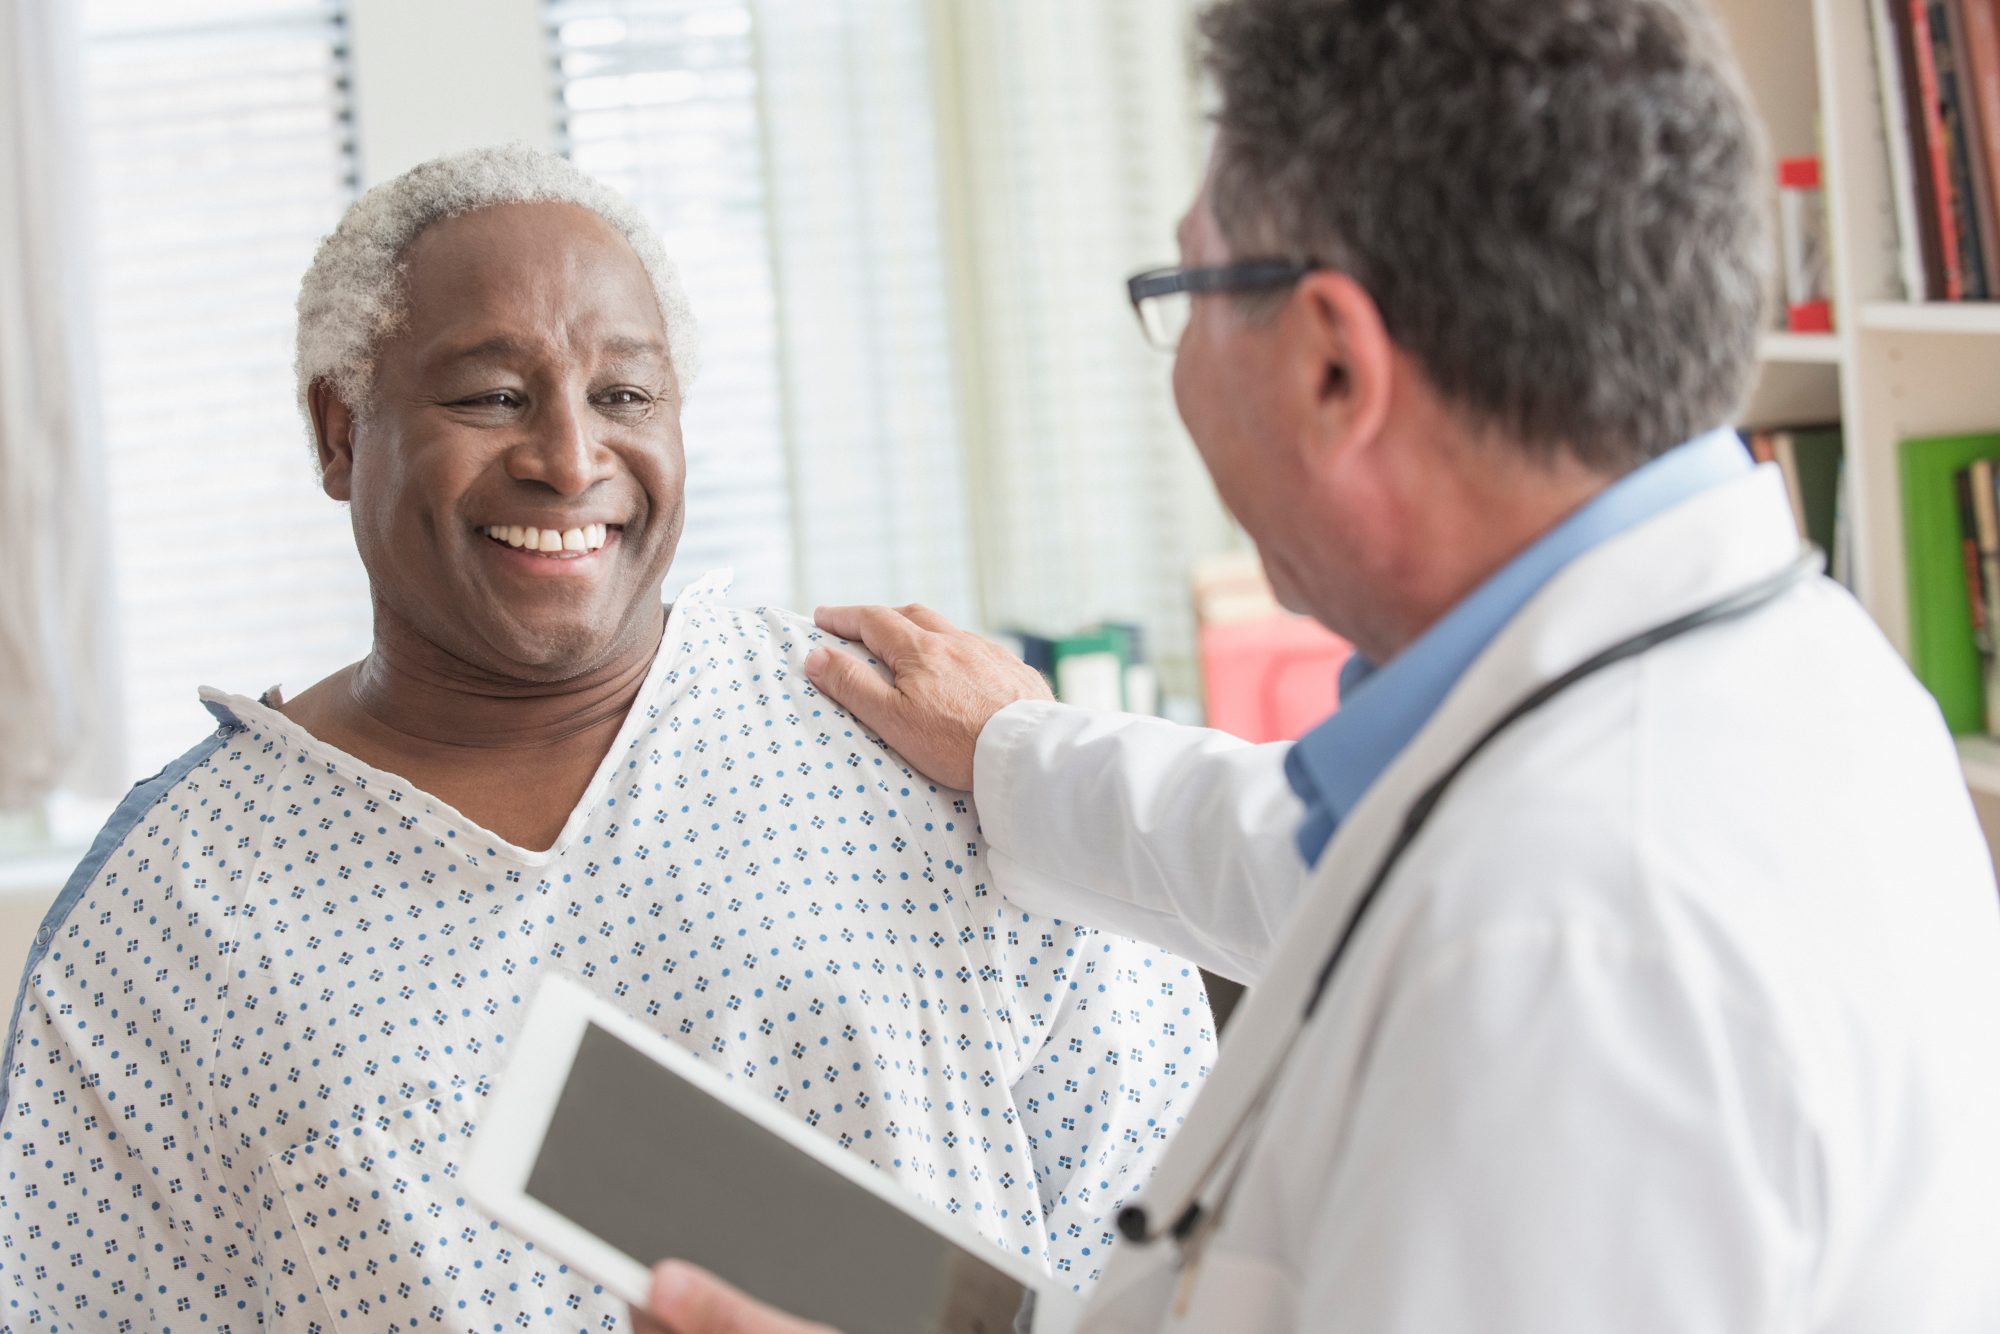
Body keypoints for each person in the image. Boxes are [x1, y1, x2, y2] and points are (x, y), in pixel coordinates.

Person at [640, 1, 2000, 1331]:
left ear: (1336, 368)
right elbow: (1319, 858)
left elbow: (1460, 906)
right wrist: (1016, 753)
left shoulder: (1572, 940)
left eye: (1182, 292)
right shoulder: (1784, 675)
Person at [0, 145, 1214, 1332]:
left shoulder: (928, 757)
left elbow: (1181, 1253)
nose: (571, 459)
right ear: (338, 430)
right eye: (491, 396)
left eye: (624, 395)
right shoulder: (169, 914)